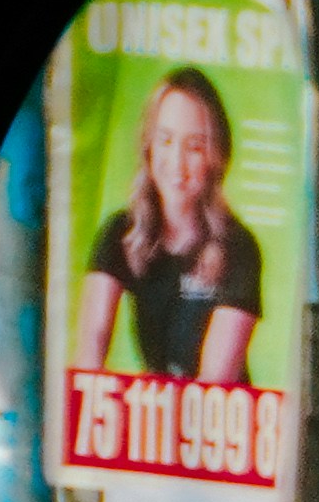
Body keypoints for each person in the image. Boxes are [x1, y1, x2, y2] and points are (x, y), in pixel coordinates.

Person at [87, 66, 264, 384]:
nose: (177, 162)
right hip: (154, 406)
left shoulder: (238, 248)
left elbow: (215, 383)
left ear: (216, 156)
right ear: (148, 146)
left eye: (194, 147)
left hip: (211, 411)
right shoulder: (120, 233)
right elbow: (90, 351)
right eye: (165, 140)